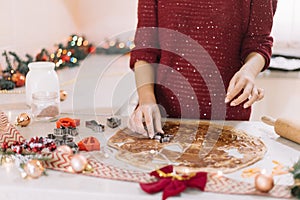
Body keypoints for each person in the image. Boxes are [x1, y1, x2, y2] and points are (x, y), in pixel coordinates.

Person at [128, 0, 277, 138]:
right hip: (162, 119)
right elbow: (145, 49)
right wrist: (146, 100)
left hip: (227, 121)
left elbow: (259, 42)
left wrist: (249, 71)